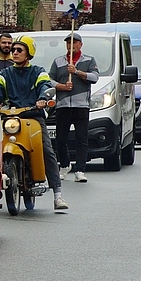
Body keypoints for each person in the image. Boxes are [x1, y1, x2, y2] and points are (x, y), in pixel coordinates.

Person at [0, 36, 67, 211]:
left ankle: (58, 194)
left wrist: (43, 99)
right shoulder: (4, 74)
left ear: (29, 53)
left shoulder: (38, 71)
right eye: (13, 49)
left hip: (33, 116)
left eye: (19, 50)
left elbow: (45, 86)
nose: (14, 52)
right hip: (10, 116)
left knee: (46, 149)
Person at [49, 33, 99, 183]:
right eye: (68, 43)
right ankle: (64, 165)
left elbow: (95, 77)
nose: (71, 46)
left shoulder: (89, 60)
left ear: (80, 45)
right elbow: (49, 79)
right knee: (61, 139)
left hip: (81, 105)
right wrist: (61, 86)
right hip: (63, 105)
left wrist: (77, 72)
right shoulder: (58, 61)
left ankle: (80, 169)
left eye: (74, 43)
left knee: (81, 138)